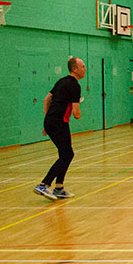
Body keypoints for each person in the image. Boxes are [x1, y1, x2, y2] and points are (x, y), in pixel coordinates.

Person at [34, 56, 86, 200]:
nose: (85, 69)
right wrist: (79, 111)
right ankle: (44, 184)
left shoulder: (61, 81)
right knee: (67, 154)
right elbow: (76, 114)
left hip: (52, 121)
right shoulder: (74, 86)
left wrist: (47, 120)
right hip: (59, 122)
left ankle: (59, 188)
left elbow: (46, 99)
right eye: (82, 66)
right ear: (74, 69)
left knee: (66, 154)